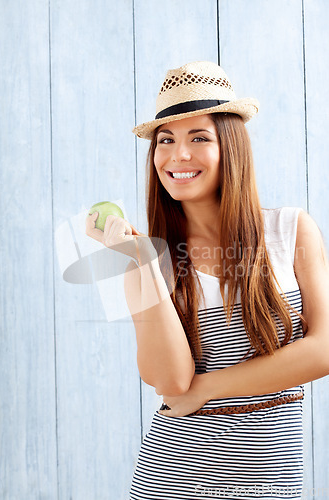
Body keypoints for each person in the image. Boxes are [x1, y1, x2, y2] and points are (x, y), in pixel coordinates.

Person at [86, 61, 329, 499]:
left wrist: (210, 387)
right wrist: (140, 260)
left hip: (273, 482)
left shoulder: (291, 230)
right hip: (172, 480)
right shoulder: (147, 261)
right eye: (166, 141)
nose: (178, 155)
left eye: (199, 137)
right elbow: (172, 383)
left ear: (231, 146)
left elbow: (324, 349)